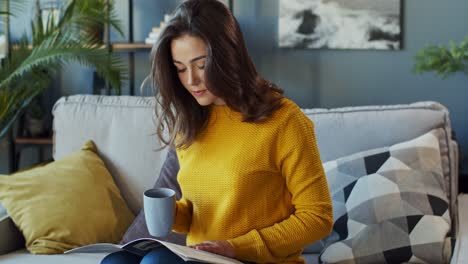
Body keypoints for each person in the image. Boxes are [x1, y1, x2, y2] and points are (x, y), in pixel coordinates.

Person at [101, 0, 332, 263]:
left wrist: (236, 247)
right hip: (202, 259)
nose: (191, 80)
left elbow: (318, 217)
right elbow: (198, 215)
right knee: (114, 261)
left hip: (252, 259)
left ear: (228, 55)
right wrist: (171, 214)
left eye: (201, 65)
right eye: (180, 69)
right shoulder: (191, 122)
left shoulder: (285, 121)